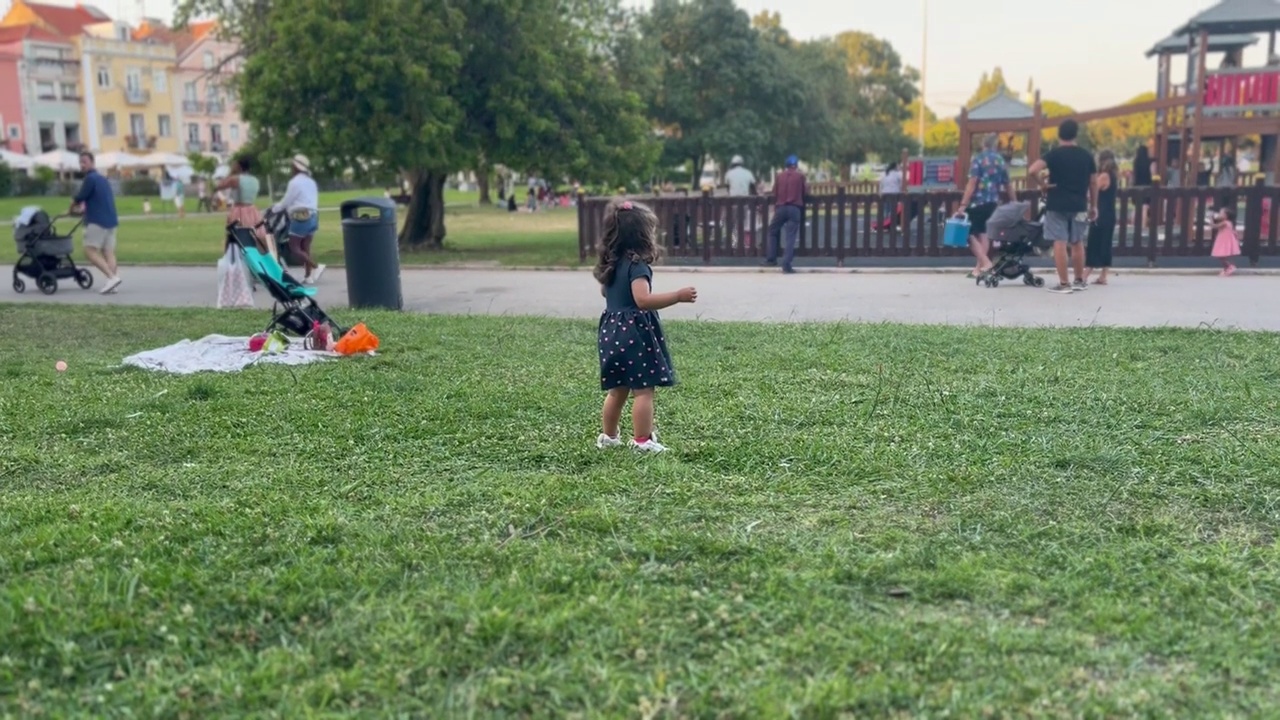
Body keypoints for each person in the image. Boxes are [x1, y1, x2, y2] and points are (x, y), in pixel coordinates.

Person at [593, 198, 697, 454]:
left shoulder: (612, 263)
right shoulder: (637, 266)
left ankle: (608, 437)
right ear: (642, 236)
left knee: (617, 390)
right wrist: (678, 296)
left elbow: (608, 295)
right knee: (643, 390)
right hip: (634, 334)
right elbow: (643, 300)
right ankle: (642, 441)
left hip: (611, 330)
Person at [1028, 120, 1097, 294]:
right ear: (1075, 135)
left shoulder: (1053, 155)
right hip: (1080, 205)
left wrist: (1042, 184)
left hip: (1056, 204)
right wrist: (1094, 205)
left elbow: (1032, 170)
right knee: (1077, 241)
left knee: (1059, 242)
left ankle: (1064, 283)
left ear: (1059, 135)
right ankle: (1079, 280)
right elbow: (1093, 182)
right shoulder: (1086, 156)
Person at [956, 134, 1014, 278]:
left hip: (978, 202)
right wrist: (1014, 201)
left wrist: (963, 204)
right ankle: (979, 269)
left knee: (968, 234)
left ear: (983, 144)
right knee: (983, 234)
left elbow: (972, 182)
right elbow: (1008, 184)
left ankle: (987, 263)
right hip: (993, 202)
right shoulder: (1000, 160)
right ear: (995, 145)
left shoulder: (978, 159)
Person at [70, 151, 122, 294]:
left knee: (89, 251)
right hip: (111, 220)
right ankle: (114, 283)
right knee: (108, 252)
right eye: (80, 162)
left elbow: (79, 198)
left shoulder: (90, 179)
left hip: (97, 221)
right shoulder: (102, 179)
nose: (82, 165)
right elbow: (96, 199)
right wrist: (83, 209)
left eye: (84, 162)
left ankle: (111, 278)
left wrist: (71, 209)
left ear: (92, 162)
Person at [271, 154, 325, 284]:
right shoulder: (311, 182)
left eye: (292, 165)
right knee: (305, 247)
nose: (291, 168)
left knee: (294, 247)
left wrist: (273, 209)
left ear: (296, 167)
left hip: (301, 217)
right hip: (314, 216)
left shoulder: (294, 182)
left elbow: (286, 202)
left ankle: (315, 266)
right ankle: (308, 276)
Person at [764, 155, 806, 274]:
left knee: (772, 231)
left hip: (781, 207)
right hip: (794, 208)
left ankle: (771, 258)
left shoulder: (779, 176)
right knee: (790, 236)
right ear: (796, 165)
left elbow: (774, 191)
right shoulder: (800, 176)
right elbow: (805, 191)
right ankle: (786, 264)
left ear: (786, 165)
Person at [1085, 150, 1118, 285]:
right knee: (1105, 243)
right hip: (1110, 212)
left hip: (1101, 213)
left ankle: (1084, 275)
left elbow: (1091, 192)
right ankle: (1103, 275)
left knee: (1094, 242)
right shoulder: (1114, 175)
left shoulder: (1104, 176)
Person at [1211, 206, 1241, 276]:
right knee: (1222, 256)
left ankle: (1229, 266)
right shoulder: (1228, 222)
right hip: (1223, 240)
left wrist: (1211, 218)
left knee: (1221, 255)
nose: (1219, 215)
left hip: (1224, 241)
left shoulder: (1225, 223)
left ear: (1226, 216)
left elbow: (1214, 226)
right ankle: (1226, 268)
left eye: (1221, 213)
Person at [1132, 141, 1154, 227]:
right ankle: (1143, 227)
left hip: (1136, 187)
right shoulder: (1149, 162)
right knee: (1145, 208)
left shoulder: (1136, 162)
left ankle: (1134, 225)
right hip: (1147, 187)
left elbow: (1134, 176)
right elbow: (1152, 175)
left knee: (1137, 208)